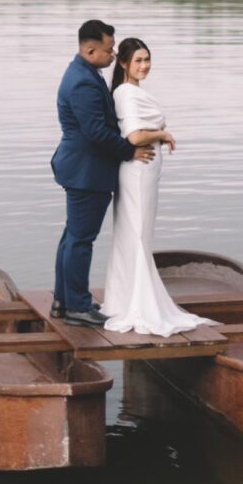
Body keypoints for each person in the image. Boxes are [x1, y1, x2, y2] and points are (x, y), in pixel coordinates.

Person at [102, 39, 210, 336]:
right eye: (138, 60)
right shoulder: (126, 93)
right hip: (138, 173)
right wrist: (162, 133)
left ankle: (126, 298)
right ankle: (137, 304)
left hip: (143, 171)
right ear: (123, 63)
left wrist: (159, 135)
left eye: (147, 59)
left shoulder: (131, 91)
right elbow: (135, 136)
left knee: (137, 233)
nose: (145, 65)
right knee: (137, 233)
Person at [50, 18, 153, 323]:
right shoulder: (82, 81)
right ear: (90, 50)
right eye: (109, 50)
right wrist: (130, 151)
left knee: (73, 236)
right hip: (86, 170)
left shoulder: (83, 72)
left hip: (81, 167)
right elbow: (96, 131)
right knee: (81, 240)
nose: (113, 55)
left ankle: (62, 301)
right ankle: (78, 307)